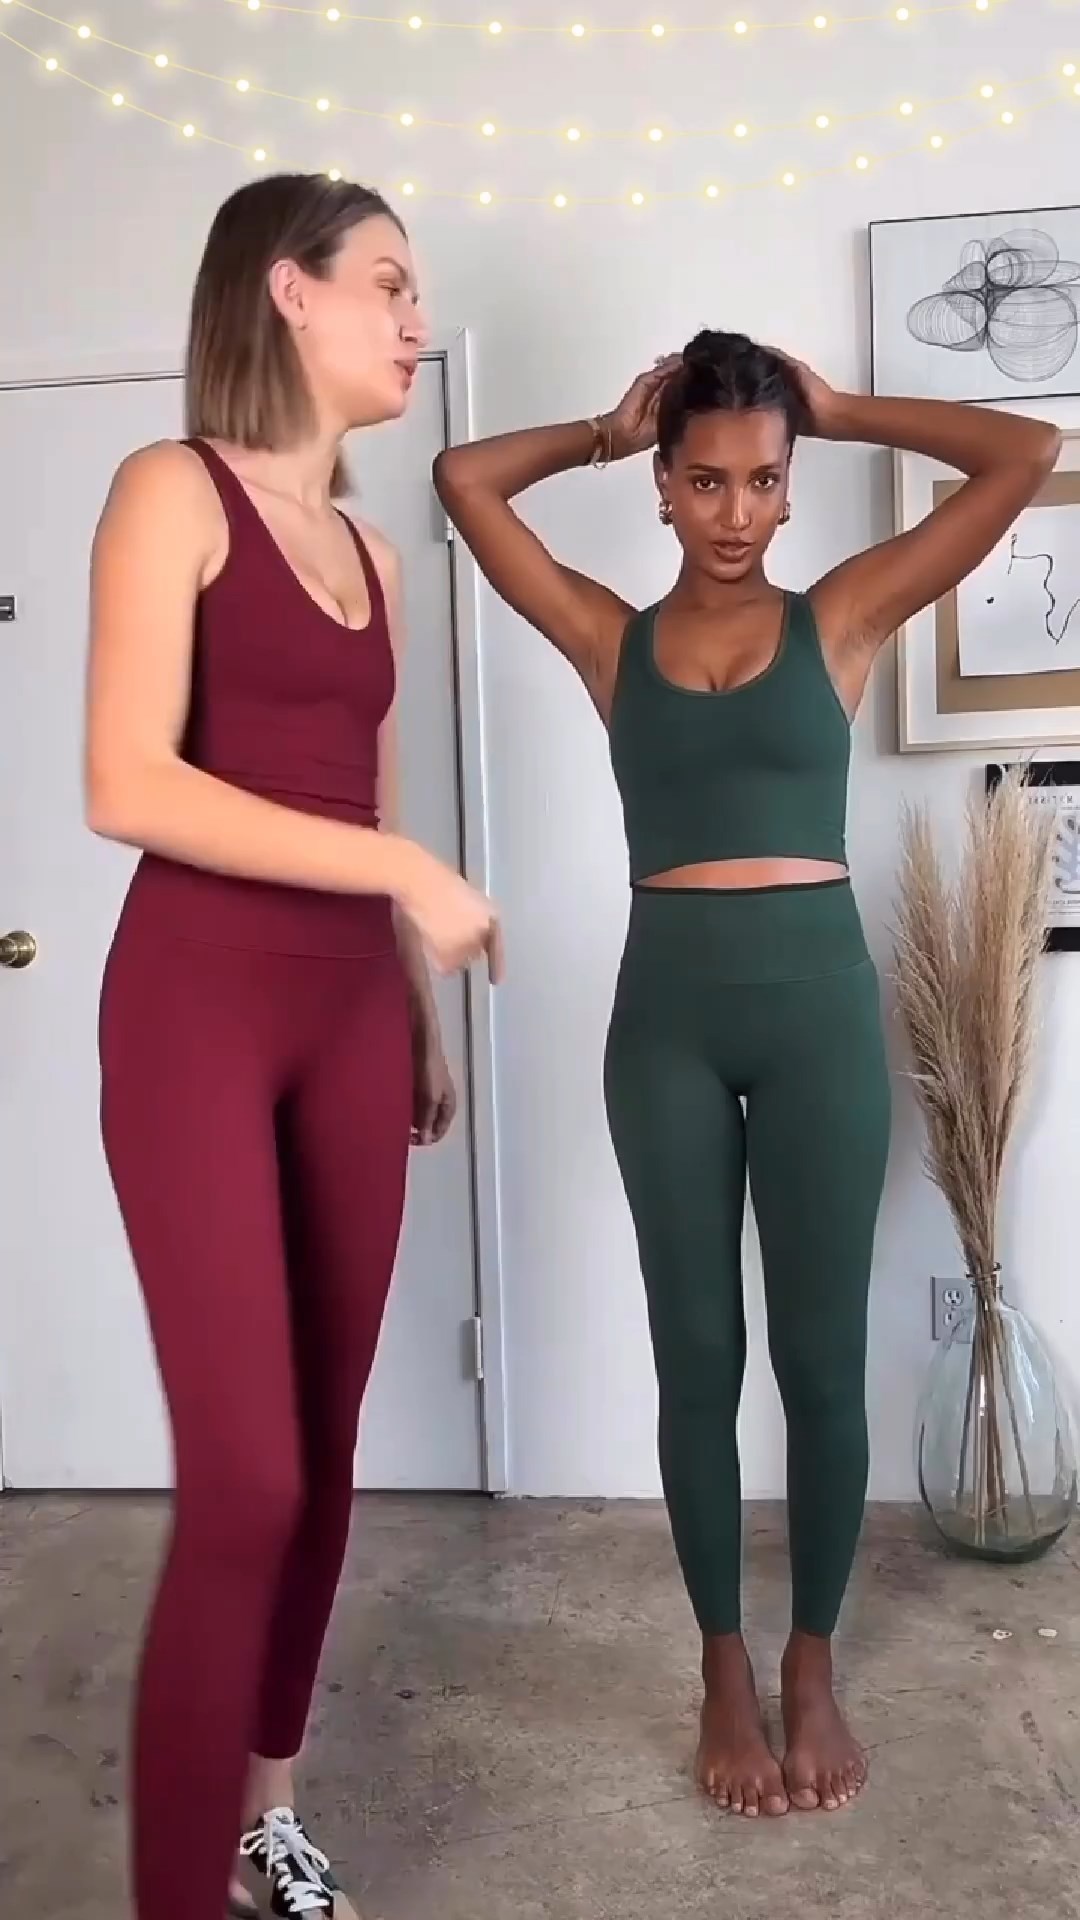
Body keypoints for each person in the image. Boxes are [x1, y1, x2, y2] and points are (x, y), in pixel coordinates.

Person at [433, 330, 1059, 1818]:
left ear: (791, 487)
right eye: (704, 480)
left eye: (764, 480)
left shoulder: (842, 617)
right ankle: (722, 1660)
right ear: (662, 487)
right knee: (698, 1354)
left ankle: (812, 1659)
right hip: (665, 1024)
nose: (734, 511)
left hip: (817, 1023)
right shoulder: (609, 640)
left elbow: (1026, 453)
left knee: (819, 1360)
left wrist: (836, 407)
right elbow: (462, 479)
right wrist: (600, 426)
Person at [86, 173, 501, 1920]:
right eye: (387, 283)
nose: (415, 320)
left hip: (343, 1016)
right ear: (287, 291)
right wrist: (406, 878)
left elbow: (366, 799)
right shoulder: (170, 490)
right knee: (246, 1477)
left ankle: (267, 1815)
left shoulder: (375, 555)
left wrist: (407, 998)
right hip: (196, 1001)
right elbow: (128, 783)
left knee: (323, 1457)